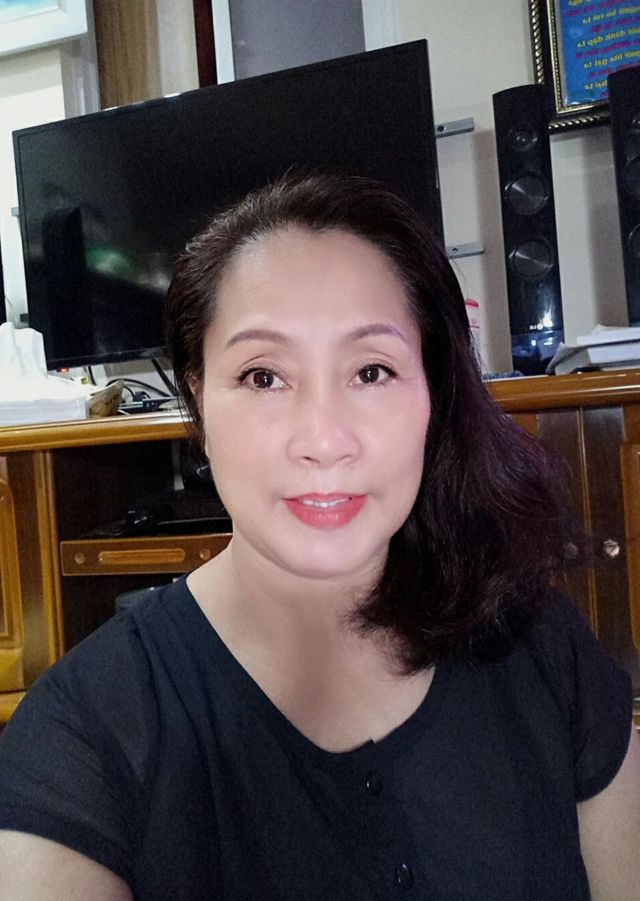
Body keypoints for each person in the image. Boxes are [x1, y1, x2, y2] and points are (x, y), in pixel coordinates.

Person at [0, 171, 638, 900]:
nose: (325, 441)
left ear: (433, 391)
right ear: (198, 399)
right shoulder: (83, 736)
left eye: (372, 371)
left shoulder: (542, 645)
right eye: (263, 377)